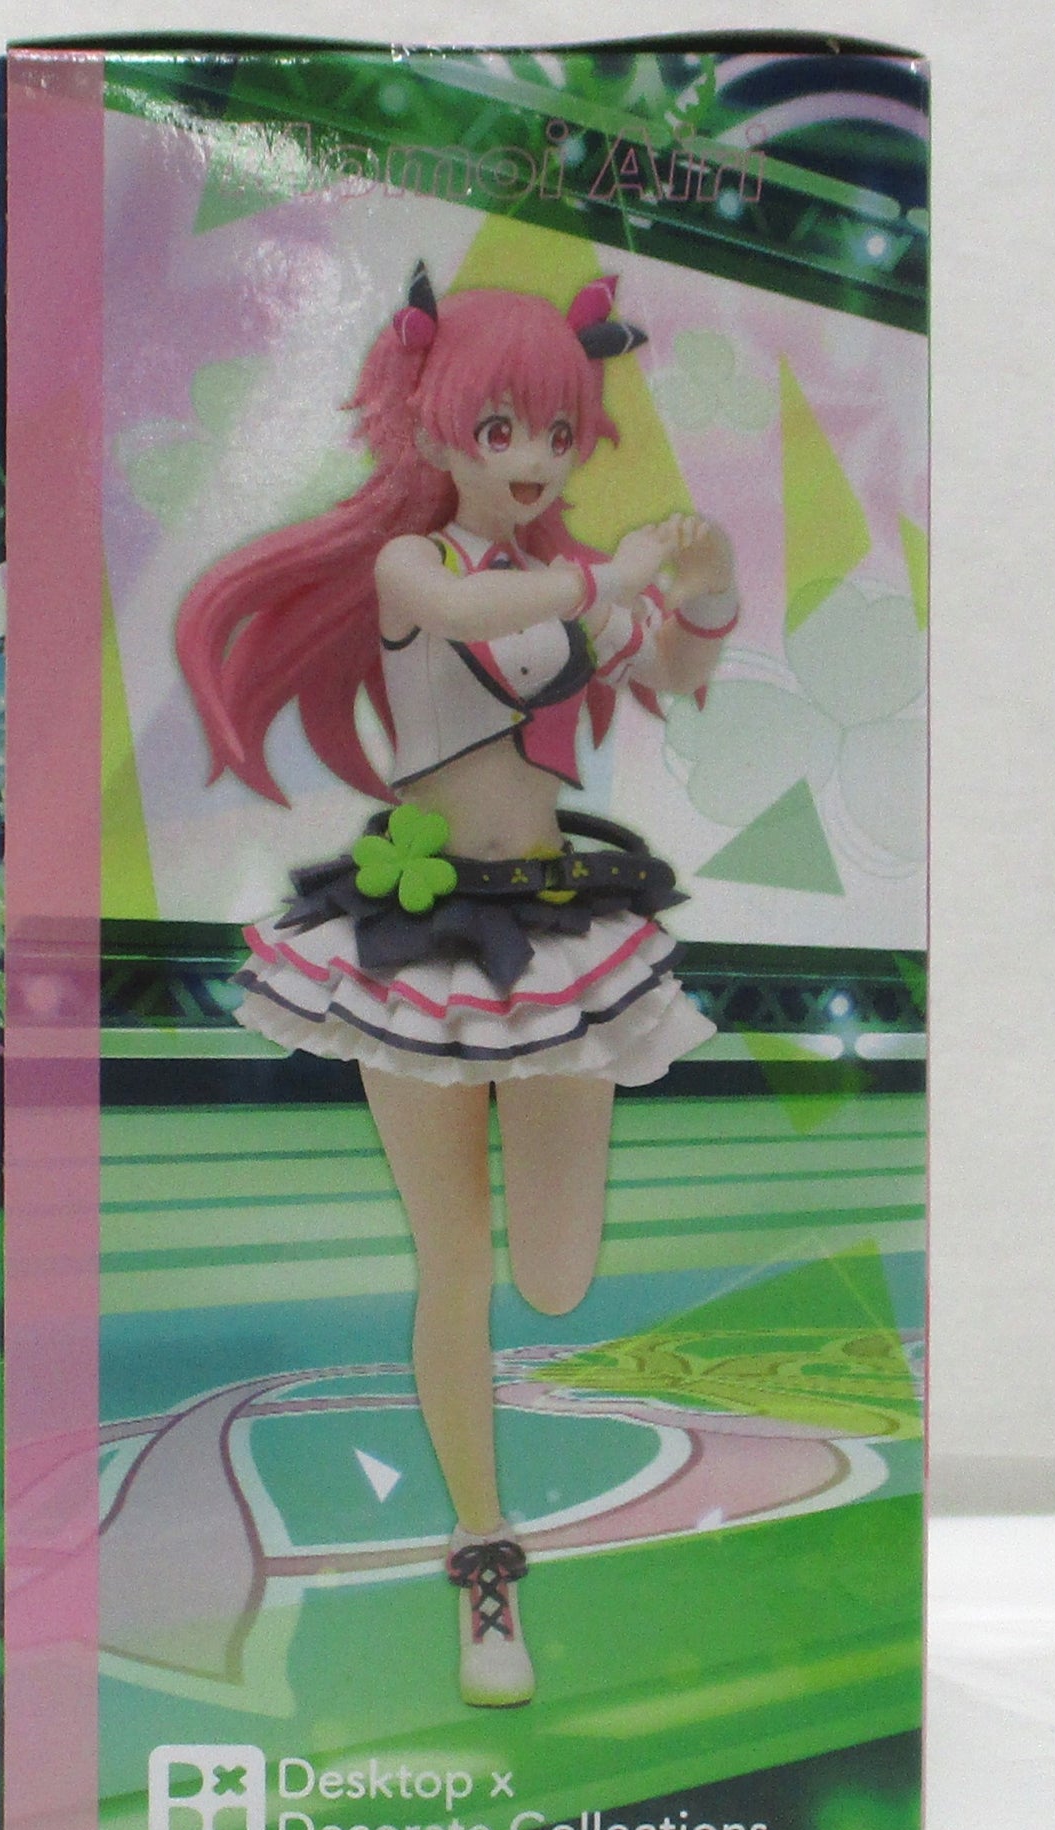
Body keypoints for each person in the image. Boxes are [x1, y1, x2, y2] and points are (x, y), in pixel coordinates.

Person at [176, 262, 739, 1706]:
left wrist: (707, 593)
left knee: (555, 1272)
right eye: (500, 429)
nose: (532, 458)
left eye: (554, 429)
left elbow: (674, 673)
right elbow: (501, 614)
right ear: (436, 430)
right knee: (457, 1265)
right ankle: (485, 1559)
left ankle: (503, 1475)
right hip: (416, 944)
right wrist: (619, 574)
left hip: (554, 935)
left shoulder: (563, 586)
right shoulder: (414, 569)